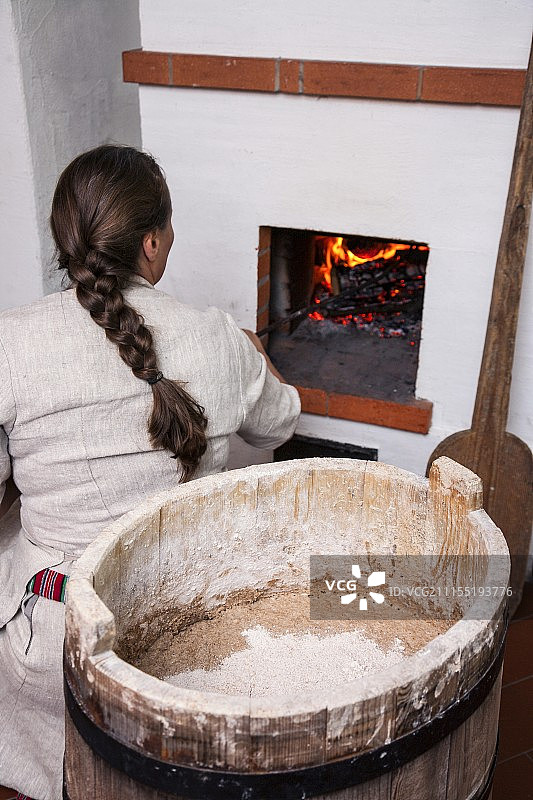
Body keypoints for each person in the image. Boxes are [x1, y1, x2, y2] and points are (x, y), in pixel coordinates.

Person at [0, 144, 300, 800]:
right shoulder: (217, 337)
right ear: (153, 242)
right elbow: (279, 426)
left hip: (55, 648)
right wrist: (253, 353)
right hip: (179, 631)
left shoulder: (10, 344)